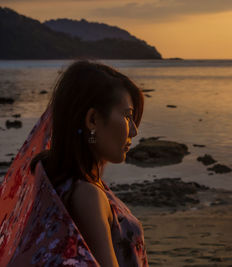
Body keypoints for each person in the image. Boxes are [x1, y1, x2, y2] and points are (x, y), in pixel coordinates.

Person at [0, 59, 148, 266]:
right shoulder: (87, 195)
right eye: (127, 116)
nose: (134, 130)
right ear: (93, 120)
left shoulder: (54, 183)